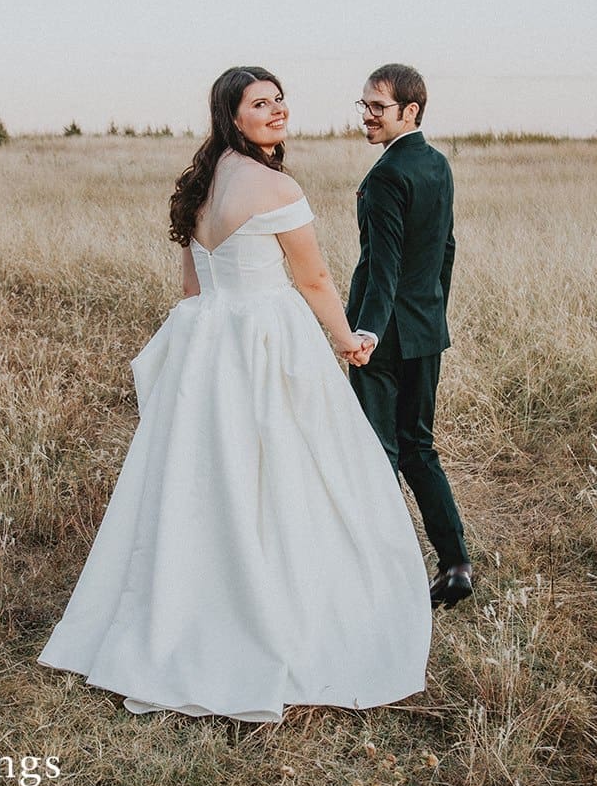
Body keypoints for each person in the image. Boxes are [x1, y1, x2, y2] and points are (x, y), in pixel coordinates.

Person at [36, 66, 432, 723]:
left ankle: (195, 600)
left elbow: (192, 290)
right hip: (268, 338)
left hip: (209, 345)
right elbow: (313, 277)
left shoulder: (199, 185)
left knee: (206, 479)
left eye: (279, 99)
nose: (276, 110)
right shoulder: (275, 184)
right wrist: (347, 339)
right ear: (233, 115)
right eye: (259, 103)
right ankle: (274, 609)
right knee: (290, 472)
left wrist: (201, 359)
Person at [345, 64, 472, 609]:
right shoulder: (437, 165)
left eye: (378, 107)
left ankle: (386, 577)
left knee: (379, 453)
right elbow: (445, 250)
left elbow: (384, 270)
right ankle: (455, 562)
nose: (367, 116)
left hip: (385, 339)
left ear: (409, 111)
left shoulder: (384, 177)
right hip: (425, 330)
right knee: (420, 447)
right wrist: (434, 310)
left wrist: (365, 332)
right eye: (365, 106)